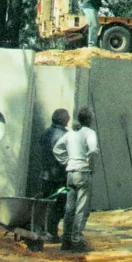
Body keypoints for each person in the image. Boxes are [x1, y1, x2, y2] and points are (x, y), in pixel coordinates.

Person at [53, 106, 99, 252]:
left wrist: (67, 161)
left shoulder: (71, 133)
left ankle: (65, 240)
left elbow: (57, 148)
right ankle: (77, 241)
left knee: (69, 208)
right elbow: (93, 150)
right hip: (83, 173)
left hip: (70, 173)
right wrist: (89, 162)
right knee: (82, 208)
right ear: (90, 119)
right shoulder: (90, 133)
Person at [38, 108, 70, 241]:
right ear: (63, 120)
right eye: (67, 117)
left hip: (45, 175)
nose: (69, 118)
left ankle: (43, 230)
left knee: (45, 204)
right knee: (58, 206)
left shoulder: (46, 133)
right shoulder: (64, 136)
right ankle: (52, 233)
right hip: (59, 177)